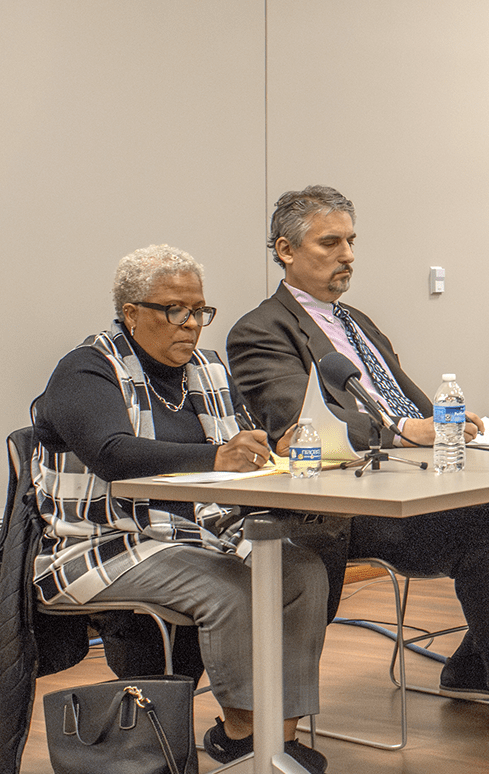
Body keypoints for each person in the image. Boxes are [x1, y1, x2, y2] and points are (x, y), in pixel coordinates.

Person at [226, 186, 489, 751]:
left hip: (407, 481)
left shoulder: (357, 322)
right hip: (340, 508)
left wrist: (455, 422)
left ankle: (473, 669)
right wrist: (406, 431)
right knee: (486, 530)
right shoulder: (261, 330)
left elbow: (408, 406)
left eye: (352, 242)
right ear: (285, 250)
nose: (348, 255)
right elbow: (306, 425)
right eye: (330, 242)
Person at [33, 245, 329, 773]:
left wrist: (275, 449)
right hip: (102, 544)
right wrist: (216, 456)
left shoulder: (209, 370)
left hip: (199, 532)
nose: (191, 324)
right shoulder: (86, 369)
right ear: (130, 312)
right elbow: (112, 454)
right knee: (230, 585)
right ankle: (242, 737)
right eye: (175, 310)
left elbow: (243, 449)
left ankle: (279, 737)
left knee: (302, 570)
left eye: (199, 311)